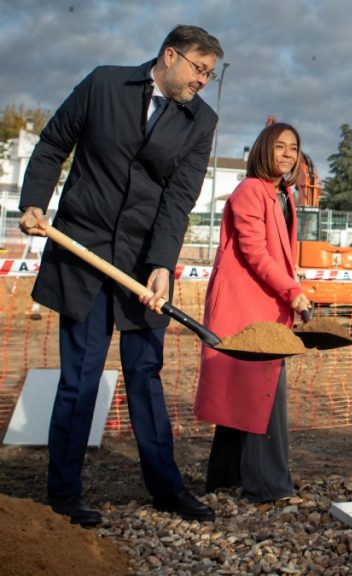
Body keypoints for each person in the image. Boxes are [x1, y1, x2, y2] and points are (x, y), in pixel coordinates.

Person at [17, 25, 224, 526]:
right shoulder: (104, 84)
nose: (203, 81)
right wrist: (33, 203)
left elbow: (180, 198)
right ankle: (64, 493)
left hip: (140, 265)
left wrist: (161, 265)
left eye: (210, 75)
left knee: (145, 376)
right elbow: (52, 144)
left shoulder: (201, 120)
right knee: (79, 379)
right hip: (82, 253)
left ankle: (166, 488)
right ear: (169, 56)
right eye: (198, 68)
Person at [193, 123, 311, 502]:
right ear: (263, 149)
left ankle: (225, 478)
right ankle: (268, 485)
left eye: (293, 148)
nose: (287, 154)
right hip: (244, 307)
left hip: (267, 307)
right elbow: (254, 251)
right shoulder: (249, 191)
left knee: (243, 394)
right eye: (280, 146)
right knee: (261, 396)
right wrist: (293, 291)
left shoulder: (283, 195)